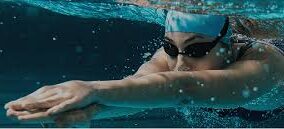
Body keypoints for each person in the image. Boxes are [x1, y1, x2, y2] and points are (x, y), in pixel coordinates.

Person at [5, 10, 284, 127]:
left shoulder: (263, 62)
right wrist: (84, 112)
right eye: (171, 48)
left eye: (197, 50)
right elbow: (136, 93)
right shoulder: (169, 60)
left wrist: (90, 88)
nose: (180, 64)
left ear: (229, 44)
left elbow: (182, 89)